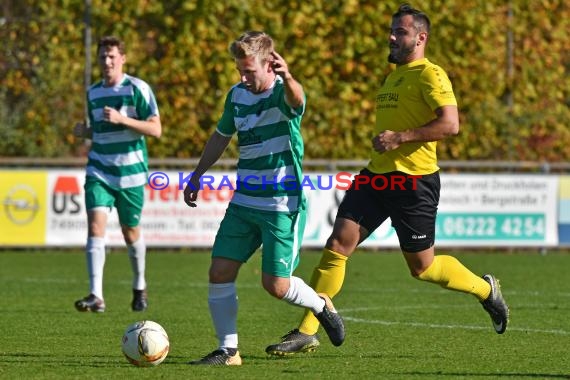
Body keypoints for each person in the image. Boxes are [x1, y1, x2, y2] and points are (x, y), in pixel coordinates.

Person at [266, 3, 510, 356]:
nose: (392, 37)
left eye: (401, 32)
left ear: (421, 38)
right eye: (392, 31)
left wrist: (400, 137)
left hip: (415, 182)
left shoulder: (431, 74)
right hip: (377, 176)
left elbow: (451, 124)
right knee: (338, 245)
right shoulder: (393, 75)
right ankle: (308, 329)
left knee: (422, 268)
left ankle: (487, 291)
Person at [183, 31, 345, 366]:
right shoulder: (237, 95)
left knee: (276, 286)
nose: (243, 77)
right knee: (219, 271)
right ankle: (228, 351)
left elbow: (298, 102)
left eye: (249, 71)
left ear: (269, 65)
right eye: (239, 70)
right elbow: (221, 136)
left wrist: (289, 78)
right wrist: (197, 174)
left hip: (280, 204)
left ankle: (320, 305)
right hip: (244, 202)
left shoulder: (282, 94)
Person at [73, 36, 162, 313]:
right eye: (102, 57)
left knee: (130, 231)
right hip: (100, 168)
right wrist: (84, 132)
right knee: (95, 227)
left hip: (131, 173)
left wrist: (123, 119)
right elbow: (100, 130)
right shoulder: (93, 92)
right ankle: (96, 295)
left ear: (123, 58)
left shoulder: (138, 88)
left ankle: (139, 285)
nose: (107, 61)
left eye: (112, 56)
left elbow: (155, 129)